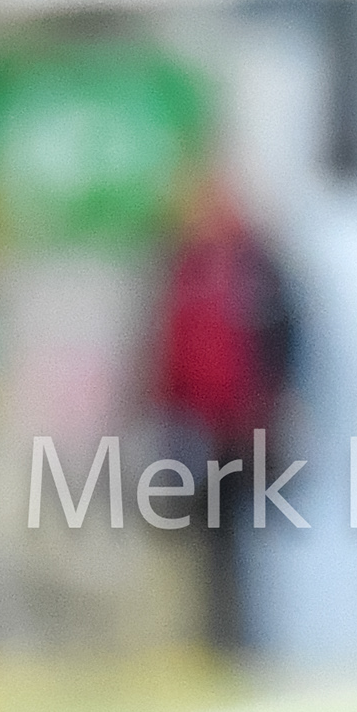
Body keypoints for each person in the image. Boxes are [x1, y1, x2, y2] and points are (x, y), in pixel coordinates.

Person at [147, 167, 300, 660]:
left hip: (243, 426)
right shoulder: (180, 264)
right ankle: (215, 641)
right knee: (203, 540)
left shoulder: (259, 266)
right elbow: (163, 343)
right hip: (193, 427)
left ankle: (240, 641)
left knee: (239, 539)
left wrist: (277, 406)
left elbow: (287, 338)